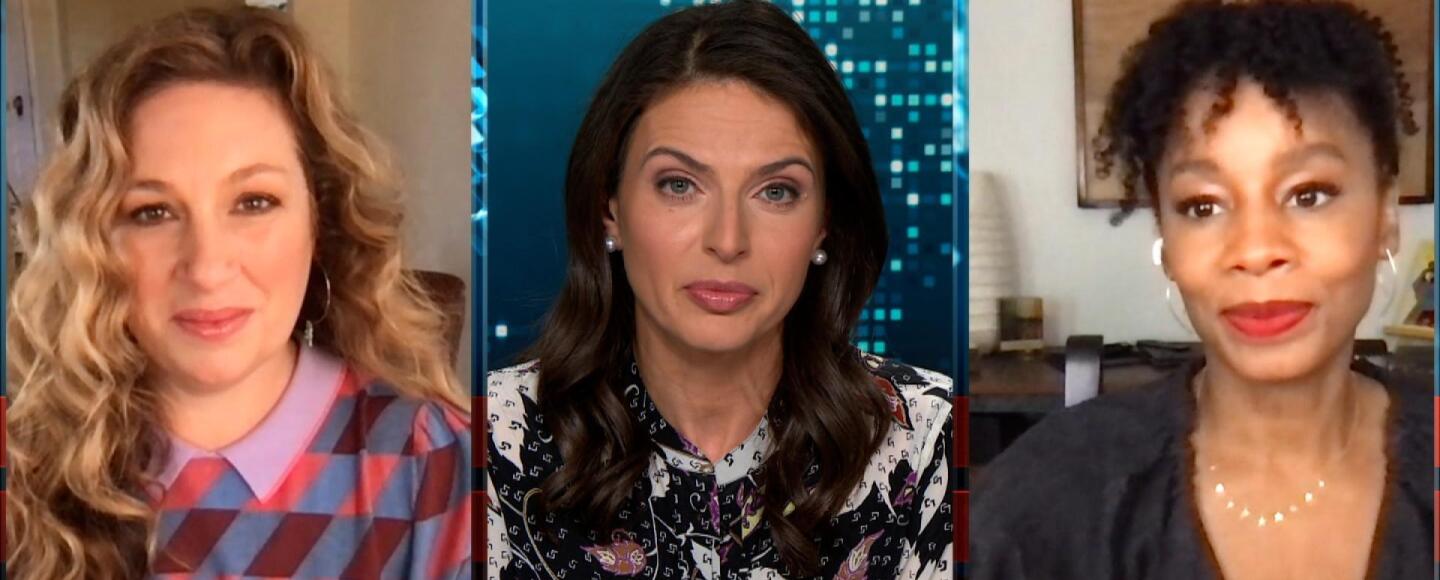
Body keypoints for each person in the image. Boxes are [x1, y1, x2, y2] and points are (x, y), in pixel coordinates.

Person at [484, 1, 954, 578]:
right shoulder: (491, 436)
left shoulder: (928, 436)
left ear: (824, 225)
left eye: (776, 191)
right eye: (679, 185)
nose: (727, 240)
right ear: (610, 209)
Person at [5, 7, 472, 579]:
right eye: (151, 212)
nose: (207, 268)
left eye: (254, 202)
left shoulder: (436, 466)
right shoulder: (25, 468)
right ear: (93, 243)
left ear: (320, 221)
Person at [971, 1, 1431, 578]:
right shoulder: (1046, 502)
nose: (1256, 249)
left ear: (1386, 215)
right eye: (1203, 205)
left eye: (1308, 194)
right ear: (1165, 238)